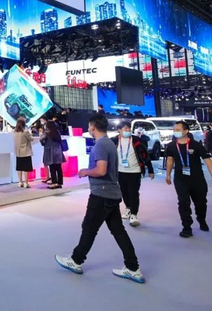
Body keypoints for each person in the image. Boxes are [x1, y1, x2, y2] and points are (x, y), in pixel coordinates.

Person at [55, 113, 145, 284]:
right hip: (111, 194)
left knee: (89, 228)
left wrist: (85, 172)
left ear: (92, 127)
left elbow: (101, 170)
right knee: (118, 231)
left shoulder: (101, 145)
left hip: (101, 195)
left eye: (89, 126)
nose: (89, 129)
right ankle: (133, 268)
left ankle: (76, 260)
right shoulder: (109, 144)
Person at [165, 121, 212, 238]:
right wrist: (168, 174)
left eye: (178, 130)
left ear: (186, 131)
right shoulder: (171, 146)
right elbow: (170, 160)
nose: (175, 132)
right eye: (174, 130)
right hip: (180, 179)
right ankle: (186, 227)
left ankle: (201, 219)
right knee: (183, 203)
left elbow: (208, 161)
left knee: (201, 203)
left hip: (197, 179)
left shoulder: (196, 145)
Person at [110, 122, 154, 227]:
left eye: (129, 129)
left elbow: (145, 155)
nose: (128, 130)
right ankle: (128, 208)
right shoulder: (113, 141)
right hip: (120, 171)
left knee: (133, 192)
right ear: (119, 130)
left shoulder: (137, 140)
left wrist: (150, 170)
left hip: (135, 171)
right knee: (124, 192)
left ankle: (134, 214)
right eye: (125, 129)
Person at [41, 121, 64, 189]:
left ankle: (54, 183)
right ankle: (59, 183)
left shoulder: (46, 133)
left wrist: (41, 138)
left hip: (50, 152)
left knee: (52, 168)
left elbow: (42, 142)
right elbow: (60, 140)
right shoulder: (57, 132)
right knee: (59, 168)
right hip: (58, 151)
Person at [13, 117, 34, 188]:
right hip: (26, 152)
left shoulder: (14, 132)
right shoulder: (25, 132)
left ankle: (20, 182)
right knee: (26, 168)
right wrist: (30, 133)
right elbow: (31, 139)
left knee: (19, 168)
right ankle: (26, 183)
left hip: (18, 152)